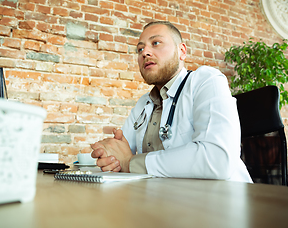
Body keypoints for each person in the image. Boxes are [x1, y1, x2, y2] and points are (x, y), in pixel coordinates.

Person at [91, 21, 252, 182]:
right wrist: (112, 157)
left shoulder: (206, 81)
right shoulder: (144, 103)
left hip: (222, 200)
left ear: (181, 51)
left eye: (156, 43)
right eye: (140, 49)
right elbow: (120, 154)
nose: (144, 52)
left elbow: (217, 159)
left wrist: (131, 163)